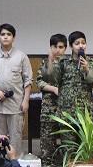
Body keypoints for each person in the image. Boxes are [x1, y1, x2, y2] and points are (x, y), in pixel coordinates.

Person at [0, 23, 33, 158]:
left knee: (16, 136)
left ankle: (15, 161)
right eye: (3, 34)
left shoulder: (21, 56)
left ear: (14, 38)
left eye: (9, 34)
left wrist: (26, 101)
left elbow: (28, 80)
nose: (5, 37)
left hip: (15, 105)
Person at [43, 30, 93, 150]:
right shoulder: (64, 62)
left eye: (83, 43)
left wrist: (87, 70)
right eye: (77, 43)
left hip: (85, 113)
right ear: (71, 46)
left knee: (84, 150)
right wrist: (51, 60)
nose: (81, 46)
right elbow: (52, 79)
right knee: (69, 149)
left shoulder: (90, 62)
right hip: (67, 113)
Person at [36, 33, 67, 167]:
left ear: (65, 48)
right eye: (54, 47)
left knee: (68, 143)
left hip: (66, 109)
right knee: (47, 143)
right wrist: (54, 89)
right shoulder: (45, 63)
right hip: (49, 108)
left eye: (61, 47)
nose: (57, 50)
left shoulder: (68, 63)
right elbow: (40, 82)